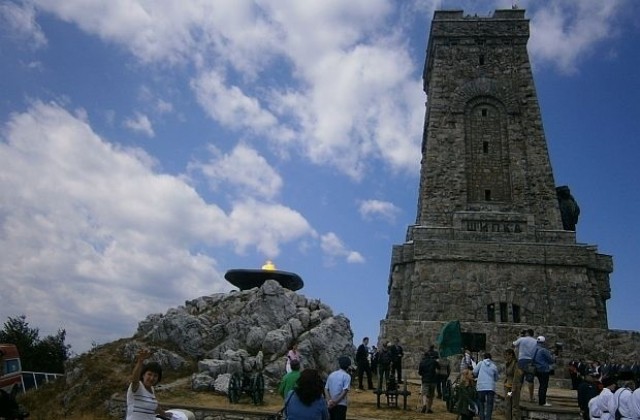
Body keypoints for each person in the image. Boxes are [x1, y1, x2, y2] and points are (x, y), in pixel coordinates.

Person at [126, 348, 173, 420]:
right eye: (149, 374)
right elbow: (134, 379)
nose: (151, 378)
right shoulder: (137, 386)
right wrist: (140, 361)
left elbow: (153, 406)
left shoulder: (151, 389)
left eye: (155, 376)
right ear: (143, 375)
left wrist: (164, 413)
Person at [512, 329, 537, 403]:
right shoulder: (535, 341)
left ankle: (518, 396)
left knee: (520, 380)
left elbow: (513, 344)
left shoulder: (522, 339)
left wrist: (519, 336)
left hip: (522, 360)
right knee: (530, 380)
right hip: (531, 362)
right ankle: (531, 398)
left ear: (527, 333)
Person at [473, 352, 499, 420]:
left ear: (484, 357)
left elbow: (475, 372)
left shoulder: (480, 363)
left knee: (481, 402)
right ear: (491, 358)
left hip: (481, 387)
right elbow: (496, 378)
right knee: (489, 404)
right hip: (490, 387)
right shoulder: (494, 366)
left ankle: (482, 417)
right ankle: (488, 418)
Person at [532, 336, 556, 407]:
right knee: (543, 386)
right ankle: (542, 402)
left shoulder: (534, 349)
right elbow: (551, 360)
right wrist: (554, 356)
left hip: (536, 369)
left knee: (541, 386)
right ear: (544, 342)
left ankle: (541, 400)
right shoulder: (543, 350)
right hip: (544, 370)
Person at [418, 348, 439, 414]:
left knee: (424, 394)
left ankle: (424, 405)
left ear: (424, 356)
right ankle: (429, 408)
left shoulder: (422, 362)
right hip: (433, 380)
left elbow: (420, 372)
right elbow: (438, 368)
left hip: (425, 380)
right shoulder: (433, 361)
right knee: (431, 395)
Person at [503, 349, 517, 420]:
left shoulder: (515, 364)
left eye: (506, 355)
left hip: (512, 388)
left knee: (513, 405)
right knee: (507, 404)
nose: (505, 357)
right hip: (507, 387)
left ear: (511, 355)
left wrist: (514, 387)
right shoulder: (507, 363)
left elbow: (516, 376)